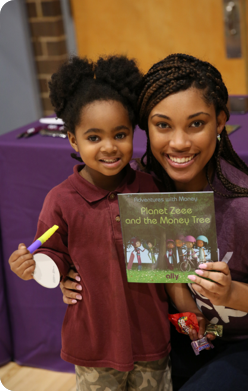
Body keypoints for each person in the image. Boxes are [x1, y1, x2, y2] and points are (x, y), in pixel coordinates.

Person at [60, 53, 248, 391]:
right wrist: (73, 280)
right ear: (144, 126)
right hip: (185, 331)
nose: (178, 142)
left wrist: (232, 291)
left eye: (196, 124)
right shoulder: (142, 192)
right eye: (163, 125)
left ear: (220, 122)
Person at [9, 55, 183, 391]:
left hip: (151, 341)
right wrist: (33, 264)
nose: (109, 147)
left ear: (133, 132)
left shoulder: (150, 188)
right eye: (93, 138)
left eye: (120, 134)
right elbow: (52, 257)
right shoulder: (60, 201)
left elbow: (173, 253)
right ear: (73, 140)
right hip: (93, 346)